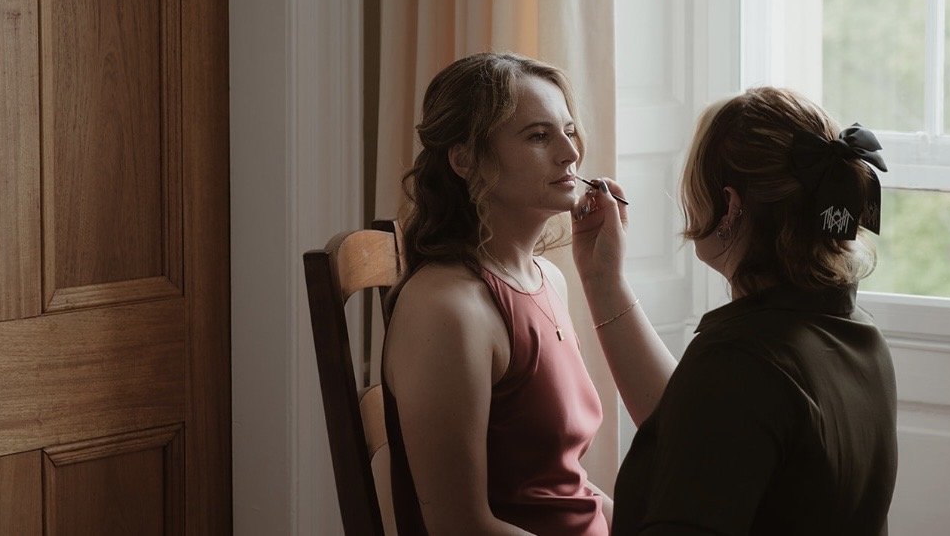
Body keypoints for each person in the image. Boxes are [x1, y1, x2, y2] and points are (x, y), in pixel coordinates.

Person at [578, 86, 898, 535]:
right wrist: (602, 282)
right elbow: (699, 431)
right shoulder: (858, 338)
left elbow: (718, 415)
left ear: (729, 206)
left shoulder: (741, 361)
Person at [382, 52, 674, 536]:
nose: (570, 152)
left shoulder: (546, 278)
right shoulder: (447, 310)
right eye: (539, 136)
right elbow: (460, 527)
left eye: (569, 130)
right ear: (465, 159)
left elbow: (566, 487)